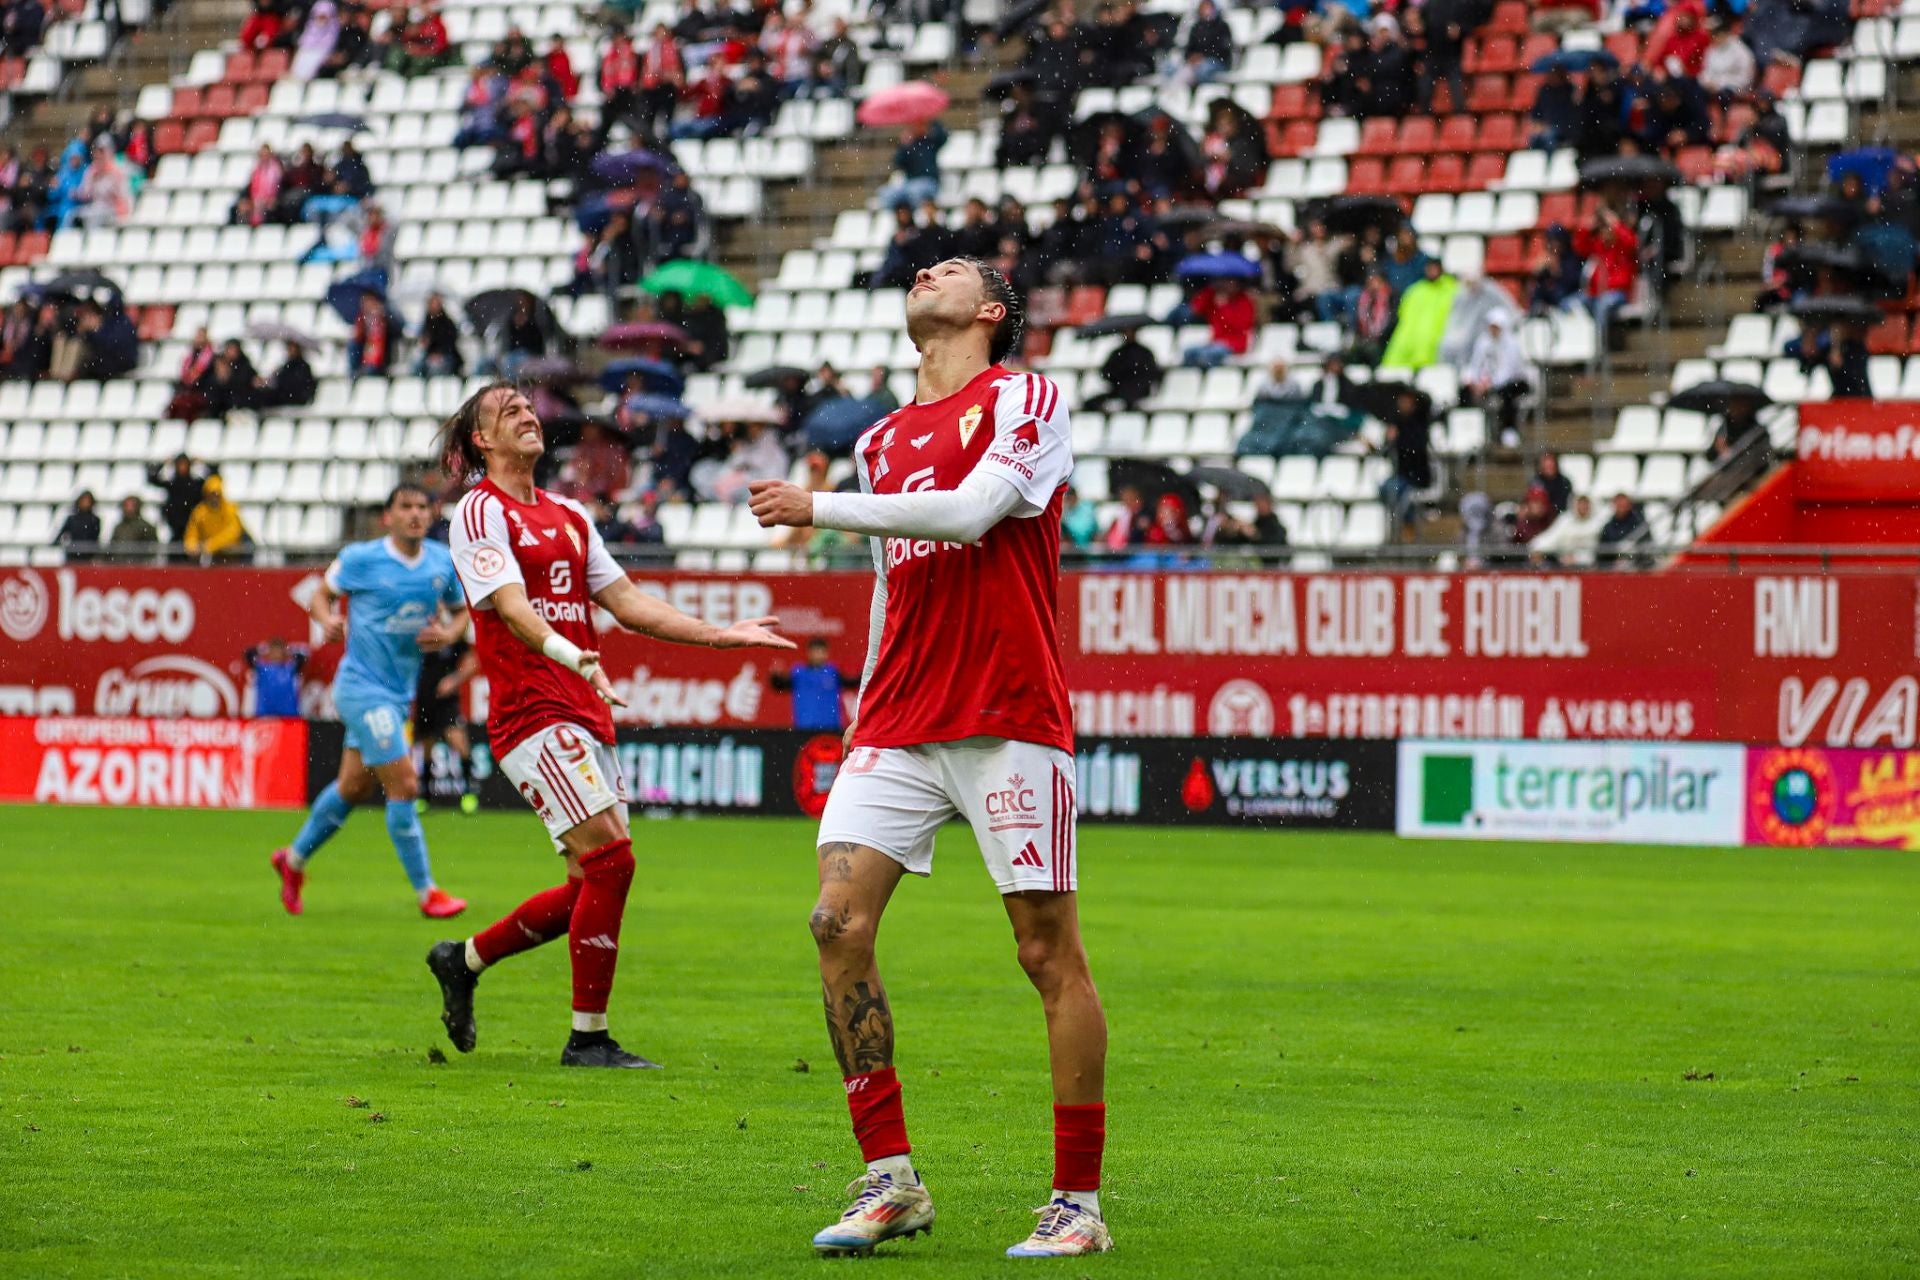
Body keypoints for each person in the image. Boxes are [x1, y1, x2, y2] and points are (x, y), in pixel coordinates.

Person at [747, 257, 1113, 1259]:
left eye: (952, 268)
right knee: (834, 921)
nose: (927, 271)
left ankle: (1077, 1201)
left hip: (1005, 712)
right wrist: (869, 697)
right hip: (899, 718)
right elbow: (891, 584)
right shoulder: (878, 438)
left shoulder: (1025, 397)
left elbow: (967, 513)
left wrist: (815, 507)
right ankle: (890, 1179)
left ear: (992, 311)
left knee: (1046, 953)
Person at [426, 383, 793, 1069]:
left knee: (586, 885)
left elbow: (625, 601)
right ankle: (587, 1039)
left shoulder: (568, 514)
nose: (528, 414)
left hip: (583, 707)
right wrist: (573, 654)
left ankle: (464, 959)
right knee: (613, 862)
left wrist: (721, 635)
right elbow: (508, 606)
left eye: (529, 406)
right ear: (481, 440)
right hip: (531, 711)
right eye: (508, 411)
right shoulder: (479, 511)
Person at [271, 485, 470, 919]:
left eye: (423, 507)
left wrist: (450, 635)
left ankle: (294, 859)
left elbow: (463, 611)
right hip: (360, 688)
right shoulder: (362, 559)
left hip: (398, 694)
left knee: (353, 787)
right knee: (406, 785)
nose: (416, 514)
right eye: (406, 507)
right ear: (389, 517)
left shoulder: (440, 562)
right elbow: (319, 595)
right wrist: (327, 621)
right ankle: (428, 892)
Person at [413, 637, 482, 815]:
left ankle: (469, 794)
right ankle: (424, 797)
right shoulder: (417, 631)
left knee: (459, 743)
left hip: (447, 702)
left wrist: (454, 680)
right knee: (427, 747)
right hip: (424, 700)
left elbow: (473, 661)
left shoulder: (451, 635)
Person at [1462, 313, 1533, 447]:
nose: (1493, 331)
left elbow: (1508, 371)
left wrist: (1489, 384)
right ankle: (1470, 431)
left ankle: (1509, 430)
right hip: (1491, 383)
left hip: (1516, 382)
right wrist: (1474, 382)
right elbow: (1475, 364)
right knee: (1464, 392)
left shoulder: (1511, 344)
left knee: (1507, 395)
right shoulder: (1483, 342)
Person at [771, 637, 855, 732]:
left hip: (831, 728)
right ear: (809, 652)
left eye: (821, 652)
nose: (818, 655)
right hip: (804, 729)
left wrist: (868, 673)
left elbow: (852, 683)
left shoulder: (833, 672)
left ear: (827, 653)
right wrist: (775, 676)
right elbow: (779, 686)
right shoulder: (798, 673)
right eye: (816, 651)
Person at [183, 474, 252, 561]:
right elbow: (191, 532)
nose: (214, 498)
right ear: (206, 494)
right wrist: (191, 545)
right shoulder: (199, 512)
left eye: (217, 494)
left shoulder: (230, 509)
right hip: (211, 557)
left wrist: (211, 545)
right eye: (212, 494)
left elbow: (233, 533)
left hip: (232, 556)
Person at [148, 453, 207, 544]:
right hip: (174, 524)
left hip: (191, 524)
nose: (182, 467)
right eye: (179, 464)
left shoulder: (195, 483)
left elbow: (212, 480)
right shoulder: (172, 483)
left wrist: (203, 464)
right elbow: (152, 479)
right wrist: (162, 464)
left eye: (184, 464)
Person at [246, 637, 307, 718]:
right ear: (269, 651)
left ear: (284, 652)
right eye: (273, 651)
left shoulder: (290, 668)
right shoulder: (262, 667)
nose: (276, 654)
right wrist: (263, 650)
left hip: (289, 715)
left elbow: (302, 657)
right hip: (265, 715)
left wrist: (288, 651)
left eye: (279, 651)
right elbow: (248, 654)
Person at [1597, 491, 1649, 567]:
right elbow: (1602, 549)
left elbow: (1646, 546)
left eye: (1623, 504)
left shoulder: (1640, 524)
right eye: (1619, 504)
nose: (1621, 507)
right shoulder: (1608, 527)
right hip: (1613, 567)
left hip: (1637, 566)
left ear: (1629, 505)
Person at [53, 490, 102, 556]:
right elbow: (61, 534)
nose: (85, 503)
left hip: (88, 556)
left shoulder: (95, 520)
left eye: (87, 501)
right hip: (73, 554)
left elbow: (95, 538)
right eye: (83, 501)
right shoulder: (72, 519)